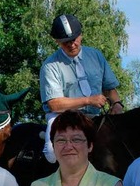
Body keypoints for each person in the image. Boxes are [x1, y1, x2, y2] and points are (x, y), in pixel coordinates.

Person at [40, 13, 124, 164]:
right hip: (62, 117)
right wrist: (88, 100)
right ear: (57, 42)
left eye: (74, 40)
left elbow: (109, 89)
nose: (72, 44)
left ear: (81, 35)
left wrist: (117, 103)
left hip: (95, 117)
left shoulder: (96, 56)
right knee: (51, 154)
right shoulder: (50, 65)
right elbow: (54, 104)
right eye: (66, 42)